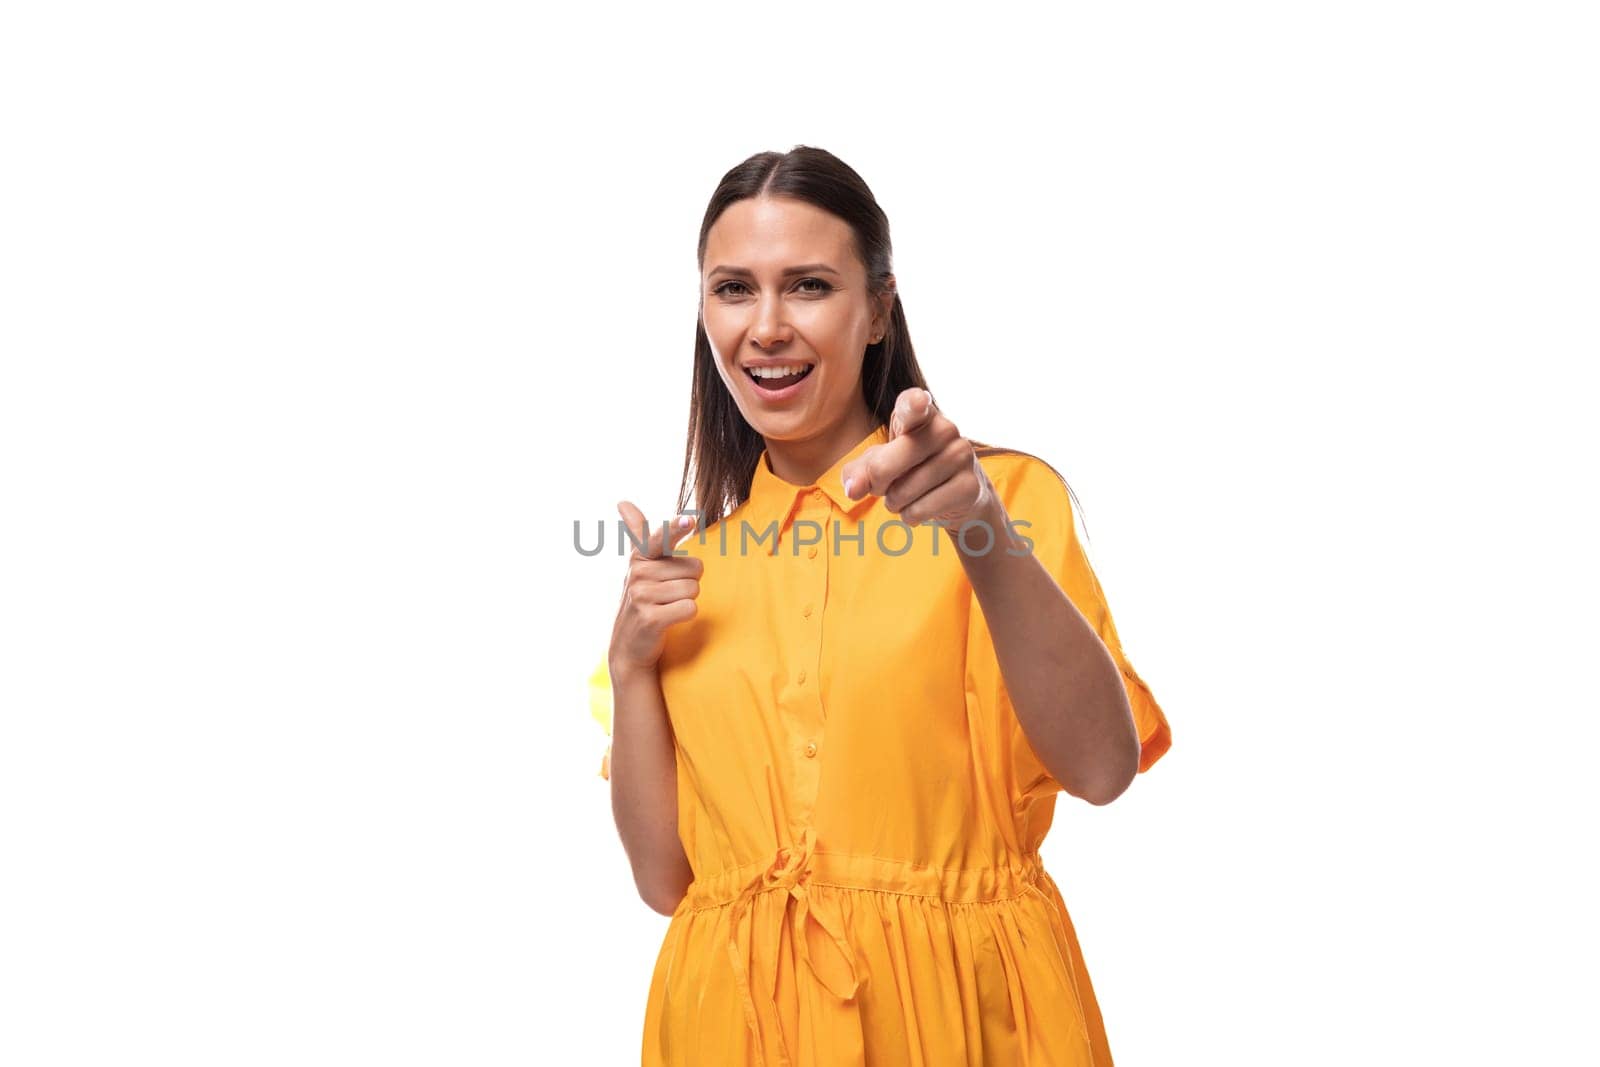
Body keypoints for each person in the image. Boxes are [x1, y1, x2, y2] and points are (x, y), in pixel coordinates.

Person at [596, 145, 1172, 1067]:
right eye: (734, 289)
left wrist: (979, 526)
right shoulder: (692, 568)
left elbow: (1104, 768)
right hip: (731, 1030)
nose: (767, 326)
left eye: (810, 286)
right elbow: (667, 882)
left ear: (877, 310)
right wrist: (631, 667)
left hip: (961, 1017)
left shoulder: (1002, 501)